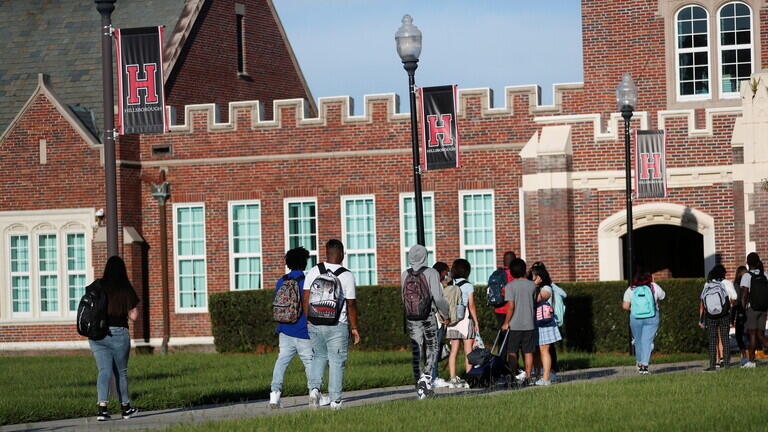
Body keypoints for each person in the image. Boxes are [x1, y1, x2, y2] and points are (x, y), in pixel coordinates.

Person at [304, 239, 360, 409]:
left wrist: (308, 320)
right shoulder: (347, 275)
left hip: (314, 323)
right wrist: (355, 328)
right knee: (337, 361)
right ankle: (335, 400)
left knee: (318, 357)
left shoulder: (314, 271)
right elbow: (351, 304)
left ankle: (314, 390)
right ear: (342, 253)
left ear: (326, 253)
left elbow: (306, 298)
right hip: (337, 324)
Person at [88, 256, 140, 421]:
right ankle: (125, 408)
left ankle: (102, 409)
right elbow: (134, 316)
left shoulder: (97, 286)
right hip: (118, 333)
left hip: (97, 334)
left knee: (103, 371)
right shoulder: (125, 287)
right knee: (121, 372)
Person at [401, 245, 450, 399]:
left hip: (411, 316)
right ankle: (426, 379)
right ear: (425, 256)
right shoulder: (431, 272)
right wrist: (445, 313)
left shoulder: (404, 274)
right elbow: (438, 297)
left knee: (417, 349)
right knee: (432, 347)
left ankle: (420, 383)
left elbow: (403, 297)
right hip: (427, 315)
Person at [269, 247, 313, 409]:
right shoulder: (305, 281)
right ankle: (314, 392)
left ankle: (275, 394)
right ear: (304, 262)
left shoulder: (281, 281)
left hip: (284, 328)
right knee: (309, 362)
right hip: (303, 330)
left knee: (282, 361)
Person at [501, 258, 537, 385]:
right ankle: (528, 377)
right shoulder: (532, 285)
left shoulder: (510, 286)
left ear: (511, 272)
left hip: (514, 325)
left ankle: (513, 375)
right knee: (528, 351)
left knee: (512, 351)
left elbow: (511, 306)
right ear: (524, 270)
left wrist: (506, 322)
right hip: (529, 324)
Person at [622, 272, 666, 374]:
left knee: (638, 341)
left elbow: (625, 306)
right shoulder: (653, 286)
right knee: (647, 341)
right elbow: (663, 296)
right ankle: (644, 366)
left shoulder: (631, 289)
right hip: (652, 317)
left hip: (635, 318)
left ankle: (639, 362)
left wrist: (635, 309)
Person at [445, 259, 479, 388]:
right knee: (468, 351)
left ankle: (453, 378)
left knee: (453, 351)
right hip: (465, 319)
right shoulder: (468, 285)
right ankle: (469, 377)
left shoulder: (449, 284)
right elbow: (471, 305)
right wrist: (476, 321)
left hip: (452, 320)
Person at [530, 261, 566, 382]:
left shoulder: (546, 288)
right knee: (535, 351)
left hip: (545, 323)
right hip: (535, 322)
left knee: (544, 349)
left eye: (534, 275)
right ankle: (537, 375)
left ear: (540, 276)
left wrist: (534, 285)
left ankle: (546, 377)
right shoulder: (533, 286)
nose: (532, 277)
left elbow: (537, 299)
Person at [699, 264, 733, 371]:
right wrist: (728, 313)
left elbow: (702, 304)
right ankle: (727, 364)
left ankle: (712, 365)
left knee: (713, 340)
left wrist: (701, 319)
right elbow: (726, 300)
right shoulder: (721, 285)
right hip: (723, 316)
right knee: (725, 339)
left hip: (710, 317)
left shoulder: (706, 286)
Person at [740, 252, 768, 368]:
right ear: (758, 262)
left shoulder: (747, 276)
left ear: (747, 263)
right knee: (761, 335)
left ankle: (751, 362)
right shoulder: (765, 275)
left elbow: (745, 295)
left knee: (752, 335)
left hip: (752, 309)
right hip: (763, 309)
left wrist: (743, 310)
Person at [493, 251, 518, 375]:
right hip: (512, 310)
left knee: (501, 341)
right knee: (513, 341)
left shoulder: (498, 273)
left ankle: (500, 366)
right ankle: (513, 367)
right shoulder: (516, 274)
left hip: (499, 310)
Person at [431, 261, 451, 388]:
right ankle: (434, 378)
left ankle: (429, 376)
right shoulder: (437, 284)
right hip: (436, 321)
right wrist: (446, 316)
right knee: (435, 349)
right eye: (446, 272)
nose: (447, 274)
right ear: (442, 272)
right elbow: (439, 301)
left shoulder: (426, 282)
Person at [732, 265, 749, 365]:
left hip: (742, 311)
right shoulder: (738, 285)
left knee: (742, 335)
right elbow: (737, 301)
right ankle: (745, 355)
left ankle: (746, 355)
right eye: (744, 273)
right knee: (741, 335)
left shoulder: (738, 285)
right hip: (742, 311)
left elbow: (736, 301)